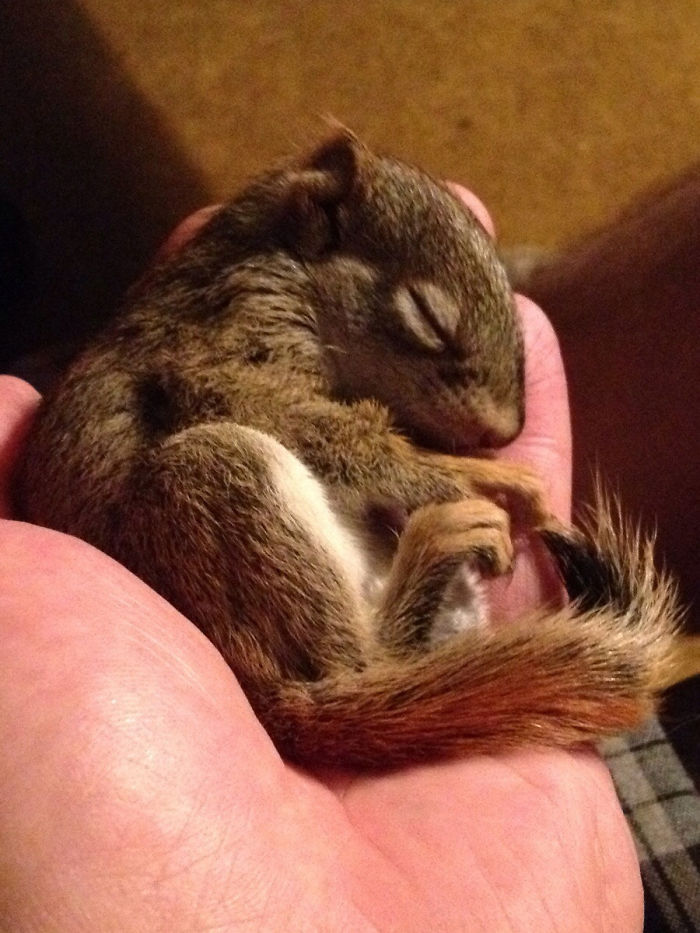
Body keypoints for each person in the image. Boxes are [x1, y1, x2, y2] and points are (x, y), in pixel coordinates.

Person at [0, 190, 643, 931]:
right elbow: (275, 415)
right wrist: (427, 478)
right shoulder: (244, 308)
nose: (496, 425)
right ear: (318, 224)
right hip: (208, 578)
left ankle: (399, 631)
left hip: (271, 599)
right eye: (430, 321)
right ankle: (384, 640)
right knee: (214, 469)